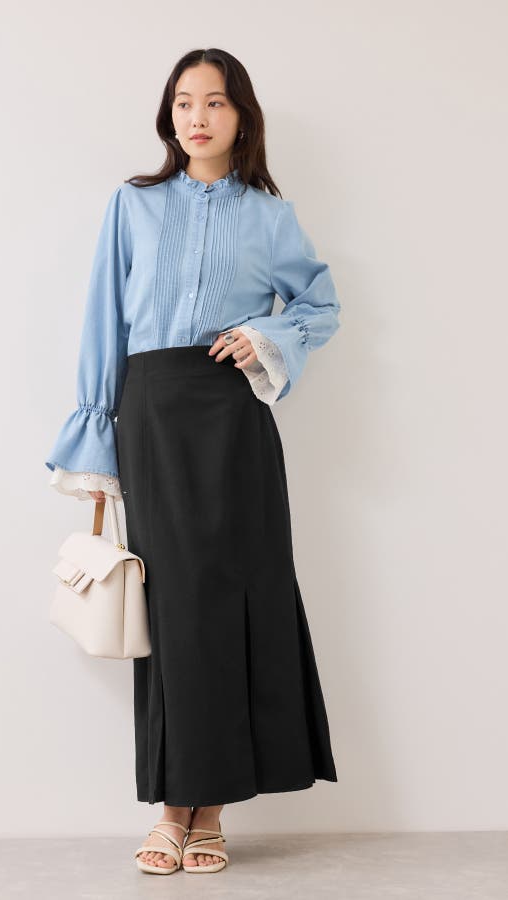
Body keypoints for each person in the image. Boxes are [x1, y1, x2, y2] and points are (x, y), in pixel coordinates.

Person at [45, 48, 341, 875]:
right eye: (184, 102)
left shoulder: (269, 215)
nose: (198, 117)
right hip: (152, 410)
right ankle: (173, 808)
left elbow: (321, 303)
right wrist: (97, 435)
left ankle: (208, 813)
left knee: (235, 598)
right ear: (168, 116)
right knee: (173, 606)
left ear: (241, 117)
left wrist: (264, 335)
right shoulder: (133, 205)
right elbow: (104, 318)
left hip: (232, 415)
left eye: (214, 102)